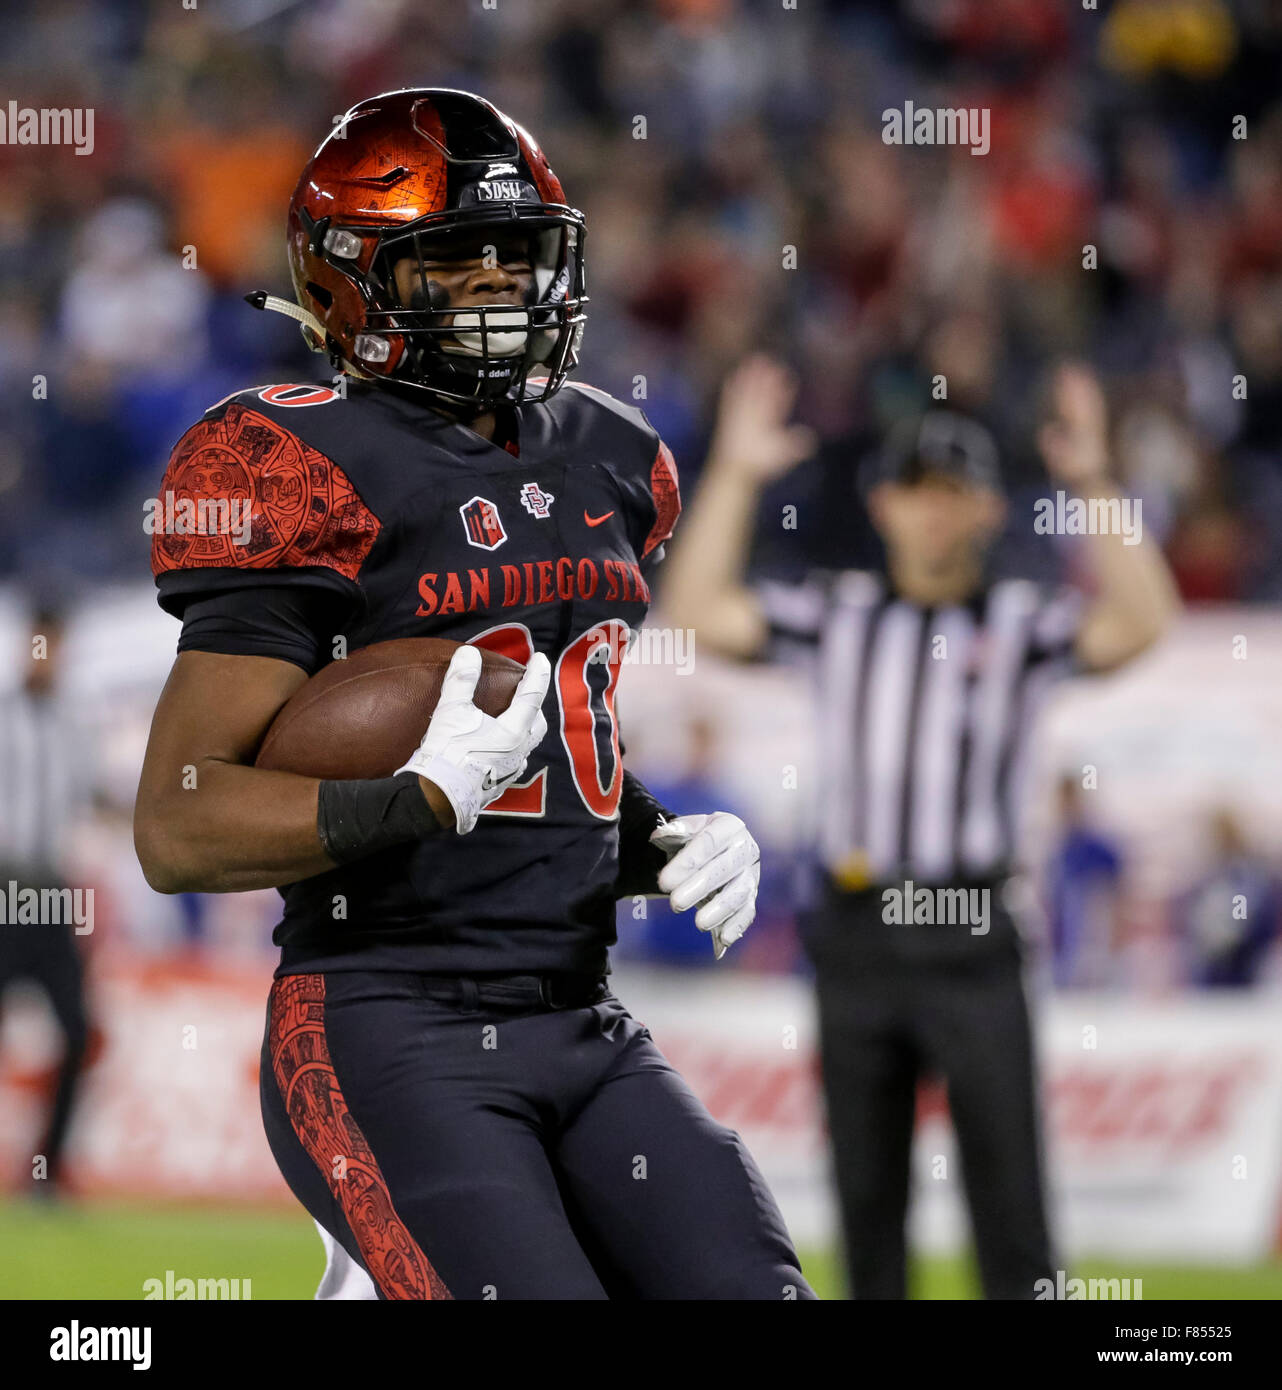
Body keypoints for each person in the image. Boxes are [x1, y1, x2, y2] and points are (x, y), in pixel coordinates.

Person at [133, 89, 813, 1302]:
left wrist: (659, 841)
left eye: (520, 250)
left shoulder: (611, 457)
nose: (501, 280)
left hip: (578, 1016)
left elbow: (534, 749)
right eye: (454, 257)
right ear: (349, 278)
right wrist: (405, 803)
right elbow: (178, 824)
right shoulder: (298, 462)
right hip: (384, 1018)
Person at [665, 355, 1179, 1298]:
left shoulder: (1022, 625)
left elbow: (1144, 622)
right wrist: (736, 472)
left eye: (954, 494)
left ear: (988, 509)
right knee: (868, 1208)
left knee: (1013, 1212)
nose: (934, 512)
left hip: (974, 929)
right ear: (884, 507)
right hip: (858, 928)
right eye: (916, 492)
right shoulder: (839, 615)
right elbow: (694, 610)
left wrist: (1095, 481)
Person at [0, 603, 93, 1199]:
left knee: (78, 1031)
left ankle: (47, 1172)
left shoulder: (72, 725)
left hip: (51, 892)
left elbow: (92, 800)